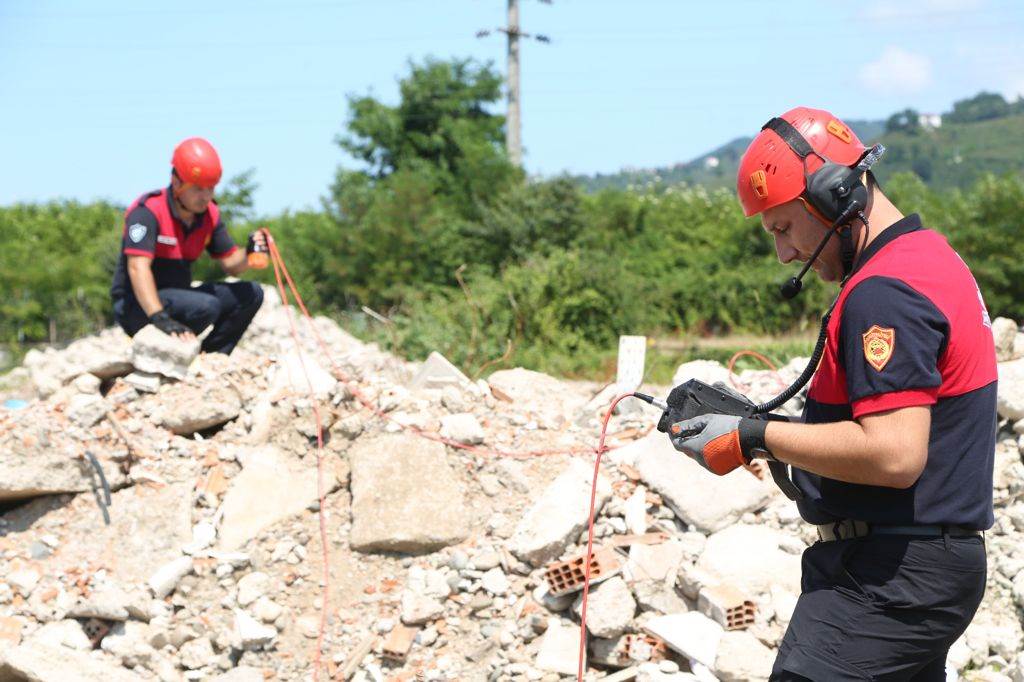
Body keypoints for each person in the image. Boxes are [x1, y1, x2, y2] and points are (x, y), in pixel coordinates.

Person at [669, 106, 995, 681]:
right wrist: (765, 436)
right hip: (916, 565)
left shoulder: (884, 294)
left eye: (784, 228)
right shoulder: (927, 259)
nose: (785, 254)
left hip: (889, 575)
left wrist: (756, 434)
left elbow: (895, 454)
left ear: (835, 194)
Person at [110, 137, 265, 354]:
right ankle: (169, 348)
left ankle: (213, 356)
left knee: (251, 293)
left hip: (178, 298)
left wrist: (249, 252)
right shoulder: (147, 212)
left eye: (211, 189)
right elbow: (137, 268)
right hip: (137, 306)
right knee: (206, 306)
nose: (206, 197)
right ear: (177, 182)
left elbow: (231, 264)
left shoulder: (209, 214)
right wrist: (159, 317)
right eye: (198, 189)